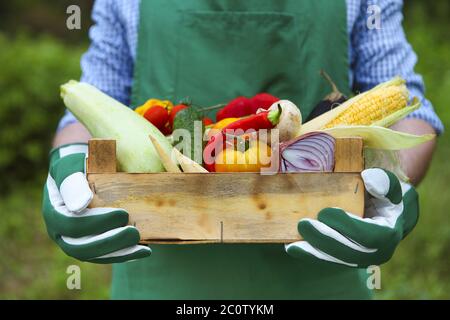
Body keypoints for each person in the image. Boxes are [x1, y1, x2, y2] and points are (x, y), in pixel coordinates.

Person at [43, 0, 443, 299]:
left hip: (323, 268)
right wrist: (71, 164)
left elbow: (411, 108)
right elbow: (94, 104)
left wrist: (391, 180)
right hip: (159, 275)